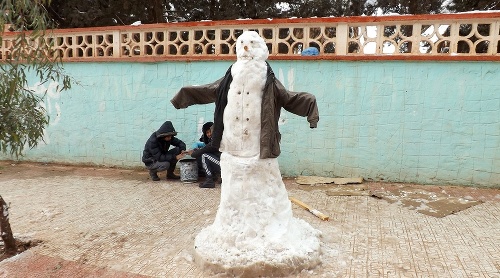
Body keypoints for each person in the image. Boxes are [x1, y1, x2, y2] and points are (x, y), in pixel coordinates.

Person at [190, 123, 221, 188]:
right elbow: (202, 146)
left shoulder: (215, 141)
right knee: (205, 155)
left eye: (210, 132)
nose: (209, 134)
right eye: (207, 133)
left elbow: (203, 150)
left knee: (204, 155)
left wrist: (192, 153)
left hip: (223, 165)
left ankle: (209, 180)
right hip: (222, 164)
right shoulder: (213, 140)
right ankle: (216, 175)